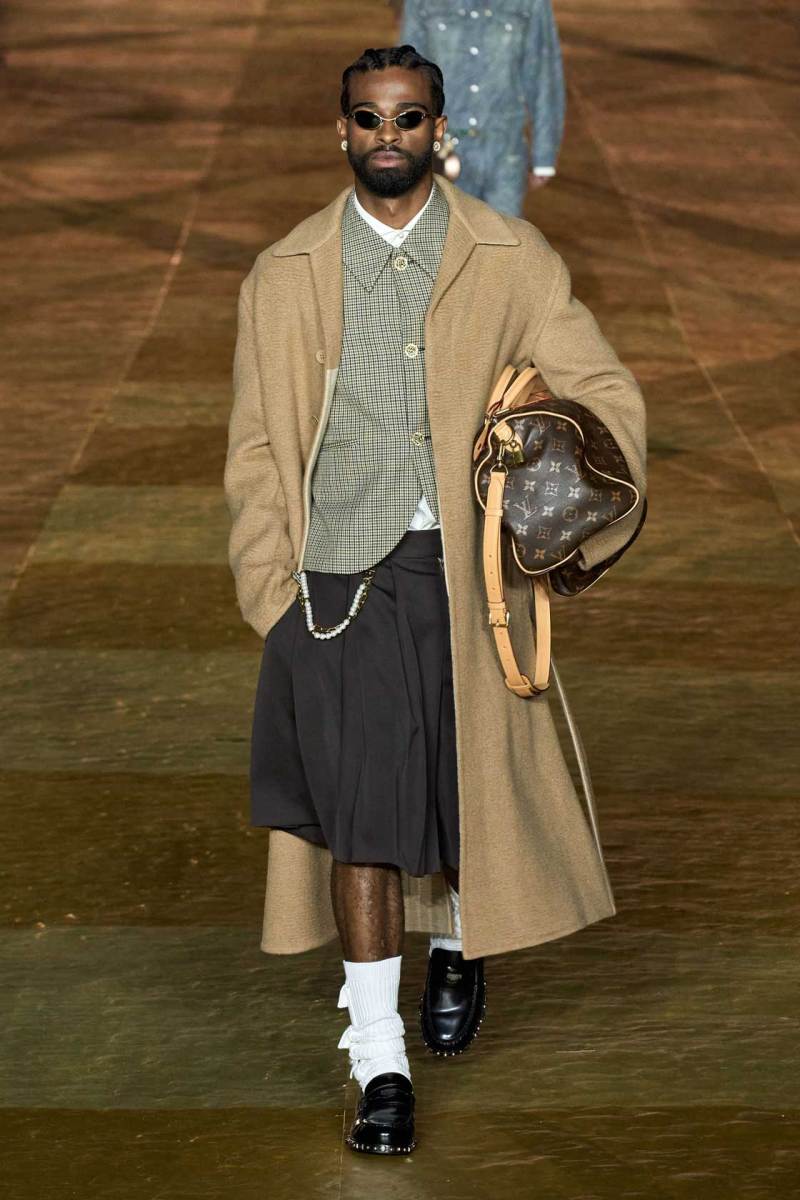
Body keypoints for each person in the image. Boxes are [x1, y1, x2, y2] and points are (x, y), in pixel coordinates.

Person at [224, 44, 646, 1156]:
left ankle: (459, 941)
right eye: (368, 119)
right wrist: (272, 594)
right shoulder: (287, 273)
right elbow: (257, 447)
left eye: (408, 119)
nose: (388, 137)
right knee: (360, 812)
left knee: (465, 788)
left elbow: (603, 389)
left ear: (439, 129)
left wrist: (557, 454)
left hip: (470, 578)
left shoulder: (509, 258)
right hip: (336, 583)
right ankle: (377, 1055)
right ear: (341, 130)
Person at [399, 1, 565, 214]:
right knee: (449, 232)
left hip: (504, 153)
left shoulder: (528, 4)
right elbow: (408, 76)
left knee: (502, 232)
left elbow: (543, 72)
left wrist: (544, 155)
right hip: (443, 150)